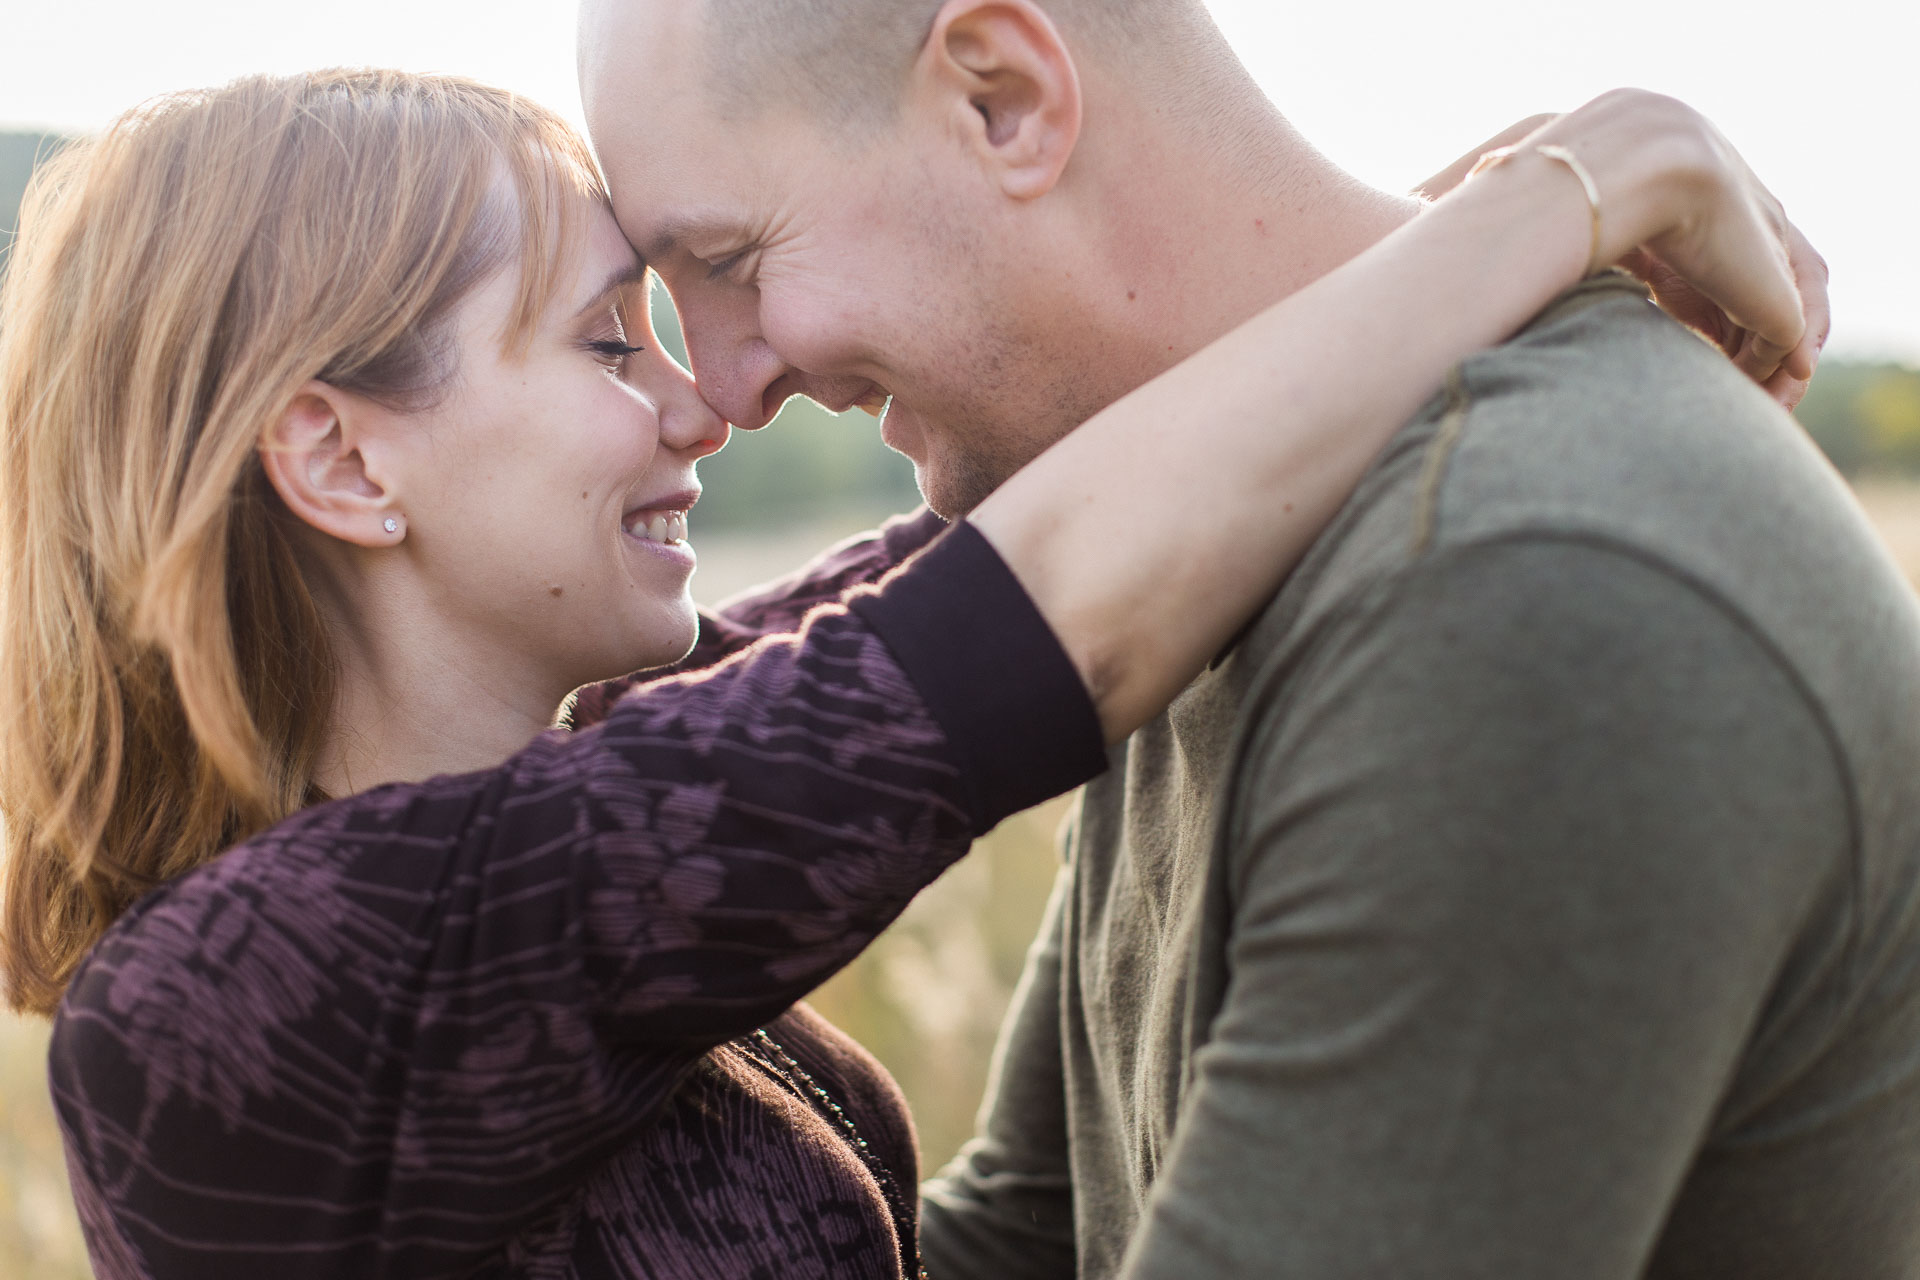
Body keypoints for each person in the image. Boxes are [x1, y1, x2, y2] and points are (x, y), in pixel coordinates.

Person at [0, 67, 1813, 1280]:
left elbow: (1034, 539)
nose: (702, 396)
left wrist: (1436, 226)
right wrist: (1586, 185)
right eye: (605, 337)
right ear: (342, 461)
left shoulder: (574, 812)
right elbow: (1024, 629)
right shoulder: (222, 1005)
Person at [577, 2, 1920, 1277]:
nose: (727, 385)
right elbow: (1042, 1237)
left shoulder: (1514, 590)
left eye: (736, 264)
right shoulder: (1224, 528)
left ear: (1006, 101)